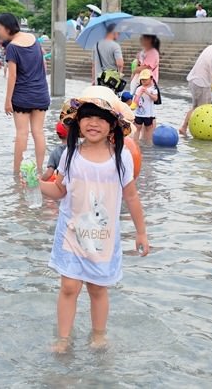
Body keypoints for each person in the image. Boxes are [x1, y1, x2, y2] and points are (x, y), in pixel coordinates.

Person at [39, 86, 148, 353]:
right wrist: (36, 184)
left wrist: (141, 233)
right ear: (77, 122)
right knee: (68, 286)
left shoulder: (121, 157)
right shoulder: (70, 154)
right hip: (72, 232)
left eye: (101, 118)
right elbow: (60, 190)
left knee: (98, 288)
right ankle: (63, 339)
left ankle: (98, 335)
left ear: (113, 125)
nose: (93, 123)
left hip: (103, 236)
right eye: (87, 116)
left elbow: (131, 197)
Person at [0, 13, 51, 175]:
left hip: (22, 95)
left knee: (22, 133)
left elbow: (12, 76)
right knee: (38, 132)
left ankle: (17, 172)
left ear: (7, 28)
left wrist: (7, 101)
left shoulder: (12, 47)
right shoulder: (33, 38)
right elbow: (43, 64)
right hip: (40, 93)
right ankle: (40, 170)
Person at [92, 24, 124, 88]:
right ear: (114, 32)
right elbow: (120, 64)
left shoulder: (96, 45)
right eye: (118, 33)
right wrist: (119, 77)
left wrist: (93, 80)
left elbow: (93, 65)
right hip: (111, 82)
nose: (119, 35)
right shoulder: (115, 46)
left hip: (98, 81)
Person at [131, 69, 159, 144]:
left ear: (151, 79)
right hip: (138, 113)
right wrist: (139, 93)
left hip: (148, 114)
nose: (143, 81)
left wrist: (148, 93)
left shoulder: (153, 89)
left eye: (145, 79)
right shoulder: (138, 88)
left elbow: (155, 98)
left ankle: (148, 144)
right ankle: (135, 143)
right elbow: (135, 102)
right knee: (137, 128)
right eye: (142, 79)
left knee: (148, 129)